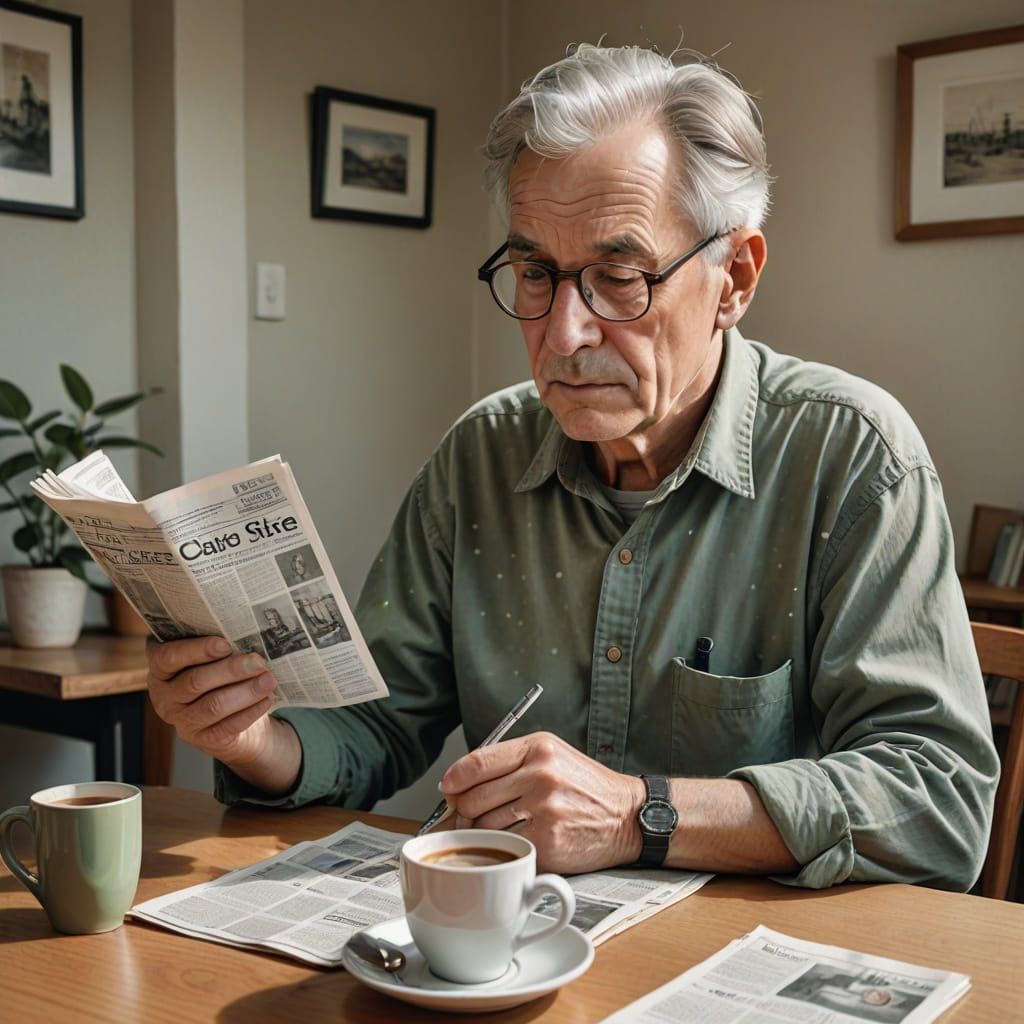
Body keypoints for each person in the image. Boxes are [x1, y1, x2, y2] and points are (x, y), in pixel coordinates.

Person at [146, 44, 997, 889]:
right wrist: (251, 738)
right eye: (534, 274)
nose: (563, 336)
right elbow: (375, 728)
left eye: (619, 278)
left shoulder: (851, 456)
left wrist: (637, 814)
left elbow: (938, 797)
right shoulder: (479, 457)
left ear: (734, 277)